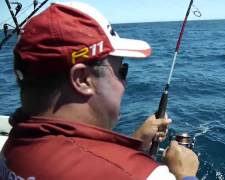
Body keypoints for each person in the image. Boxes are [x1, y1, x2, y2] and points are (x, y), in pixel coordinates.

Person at [0, 2, 199, 180]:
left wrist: (136, 142)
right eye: (121, 70)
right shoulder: (144, 175)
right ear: (83, 79)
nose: (125, 83)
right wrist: (185, 175)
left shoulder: (14, 145)